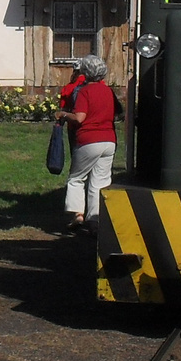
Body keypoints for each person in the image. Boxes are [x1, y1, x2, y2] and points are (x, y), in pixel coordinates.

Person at [58, 55, 120, 234]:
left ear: (85, 72)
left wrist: (62, 114)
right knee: (99, 182)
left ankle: (77, 215)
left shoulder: (85, 91)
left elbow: (79, 117)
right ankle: (96, 220)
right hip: (109, 140)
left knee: (77, 178)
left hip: (89, 139)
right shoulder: (108, 91)